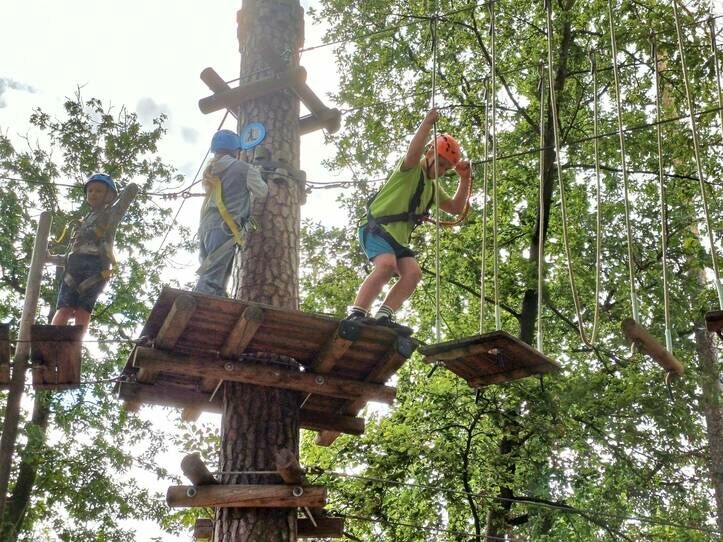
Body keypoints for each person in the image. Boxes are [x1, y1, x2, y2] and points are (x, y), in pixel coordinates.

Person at [345, 108, 472, 334]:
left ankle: (384, 315)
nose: (442, 171)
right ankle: (357, 312)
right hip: (377, 228)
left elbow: (455, 208)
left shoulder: (433, 188)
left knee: (413, 274)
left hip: (398, 240)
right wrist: (427, 123)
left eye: (447, 168)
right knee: (386, 266)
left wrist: (464, 180)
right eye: (440, 164)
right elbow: (413, 152)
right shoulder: (410, 169)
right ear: (430, 153)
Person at [52, 173, 139, 330]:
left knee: (83, 309)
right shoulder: (80, 224)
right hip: (74, 265)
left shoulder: (111, 215)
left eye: (99, 191)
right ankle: (50, 338)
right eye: (90, 190)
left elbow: (132, 190)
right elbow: (70, 254)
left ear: (109, 195)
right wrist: (50, 258)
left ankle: (76, 341)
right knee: (64, 307)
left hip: (96, 266)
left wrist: (114, 198)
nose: (93, 194)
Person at [195, 129, 268, 296]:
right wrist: (258, 173)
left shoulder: (211, 170)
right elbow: (262, 191)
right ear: (236, 150)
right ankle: (204, 303)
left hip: (206, 226)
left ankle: (216, 300)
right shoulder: (243, 168)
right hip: (224, 228)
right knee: (212, 281)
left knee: (213, 276)